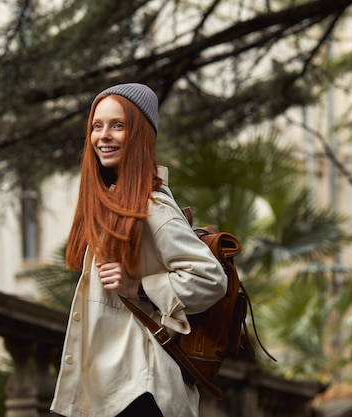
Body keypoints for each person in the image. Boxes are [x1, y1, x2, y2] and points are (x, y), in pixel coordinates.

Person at [50, 83, 228, 417]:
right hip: (114, 387)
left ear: (140, 134)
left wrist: (138, 287)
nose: (104, 135)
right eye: (97, 126)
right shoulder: (116, 200)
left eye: (118, 125)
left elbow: (210, 278)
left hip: (140, 389)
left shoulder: (152, 205)